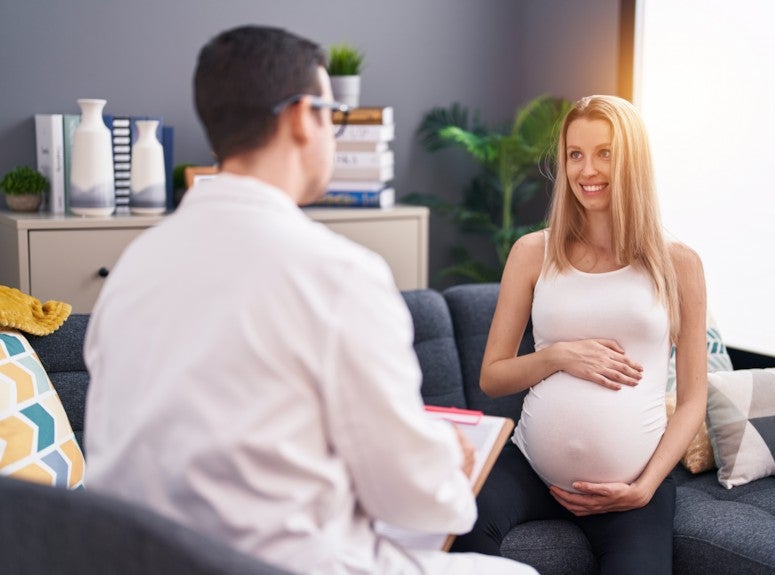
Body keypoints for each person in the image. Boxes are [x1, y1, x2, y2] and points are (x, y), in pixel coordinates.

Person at [83, 25, 536, 575]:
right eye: (334, 117)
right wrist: (449, 460)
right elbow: (410, 494)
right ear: (303, 115)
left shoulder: (135, 266)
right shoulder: (338, 274)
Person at [450, 95, 707, 574]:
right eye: (575, 154)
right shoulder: (532, 252)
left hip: (632, 483)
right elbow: (492, 377)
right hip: (530, 466)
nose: (587, 170)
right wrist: (559, 356)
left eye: (605, 153)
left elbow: (693, 399)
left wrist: (646, 486)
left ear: (633, 160)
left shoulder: (680, 265)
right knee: (453, 522)